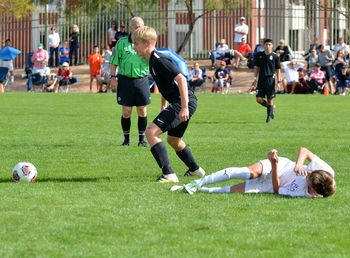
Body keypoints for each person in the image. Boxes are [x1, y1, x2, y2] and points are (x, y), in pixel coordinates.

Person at [132, 26, 205, 183]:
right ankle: (195, 170)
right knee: (174, 140)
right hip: (182, 102)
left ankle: (169, 174)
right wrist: (164, 105)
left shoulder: (159, 60)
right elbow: (166, 85)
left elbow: (181, 79)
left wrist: (184, 107)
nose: (134, 47)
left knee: (151, 133)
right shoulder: (151, 61)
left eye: (136, 43)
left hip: (183, 102)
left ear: (147, 43)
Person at [172, 147, 336, 199]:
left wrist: (274, 164)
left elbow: (278, 190)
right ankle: (199, 182)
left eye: (308, 180)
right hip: (283, 165)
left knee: (232, 191)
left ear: (314, 191)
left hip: (271, 182)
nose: (306, 175)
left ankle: (198, 188)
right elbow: (304, 150)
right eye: (308, 173)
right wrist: (298, 164)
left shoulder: (304, 194)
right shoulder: (328, 171)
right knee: (248, 173)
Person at [109, 17, 150, 147]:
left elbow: (153, 60)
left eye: (141, 26)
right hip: (125, 80)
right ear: (130, 28)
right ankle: (126, 140)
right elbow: (114, 61)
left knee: (142, 110)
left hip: (142, 79)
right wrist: (113, 78)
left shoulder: (147, 43)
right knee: (126, 111)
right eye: (136, 26)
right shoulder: (121, 43)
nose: (138, 29)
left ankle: (141, 140)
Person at [251, 38, 282, 123]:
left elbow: (278, 69)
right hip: (261, 79)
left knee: (270, 99)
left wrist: (279, 81)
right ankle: (271, 107)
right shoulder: (259, 55)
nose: (268, 46)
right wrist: (254, 78)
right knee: (258, 99)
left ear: (272, 46)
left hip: (270, 80)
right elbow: (257, 67)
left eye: (269, 44)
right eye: (266, 44)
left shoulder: (275, 56)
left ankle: (268, 118)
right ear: (263, 45)